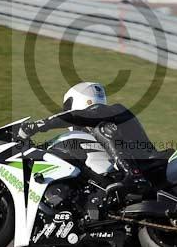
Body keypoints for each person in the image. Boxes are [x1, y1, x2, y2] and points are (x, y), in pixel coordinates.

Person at [17, 82, 168, 196]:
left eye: (68, 106)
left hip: (143, 163)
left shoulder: (108, 112)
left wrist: (38, 125)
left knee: (103, 128)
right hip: (119, 173)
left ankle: (133, 174)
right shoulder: (90, 135)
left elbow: (76, 116)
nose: (67, 110)